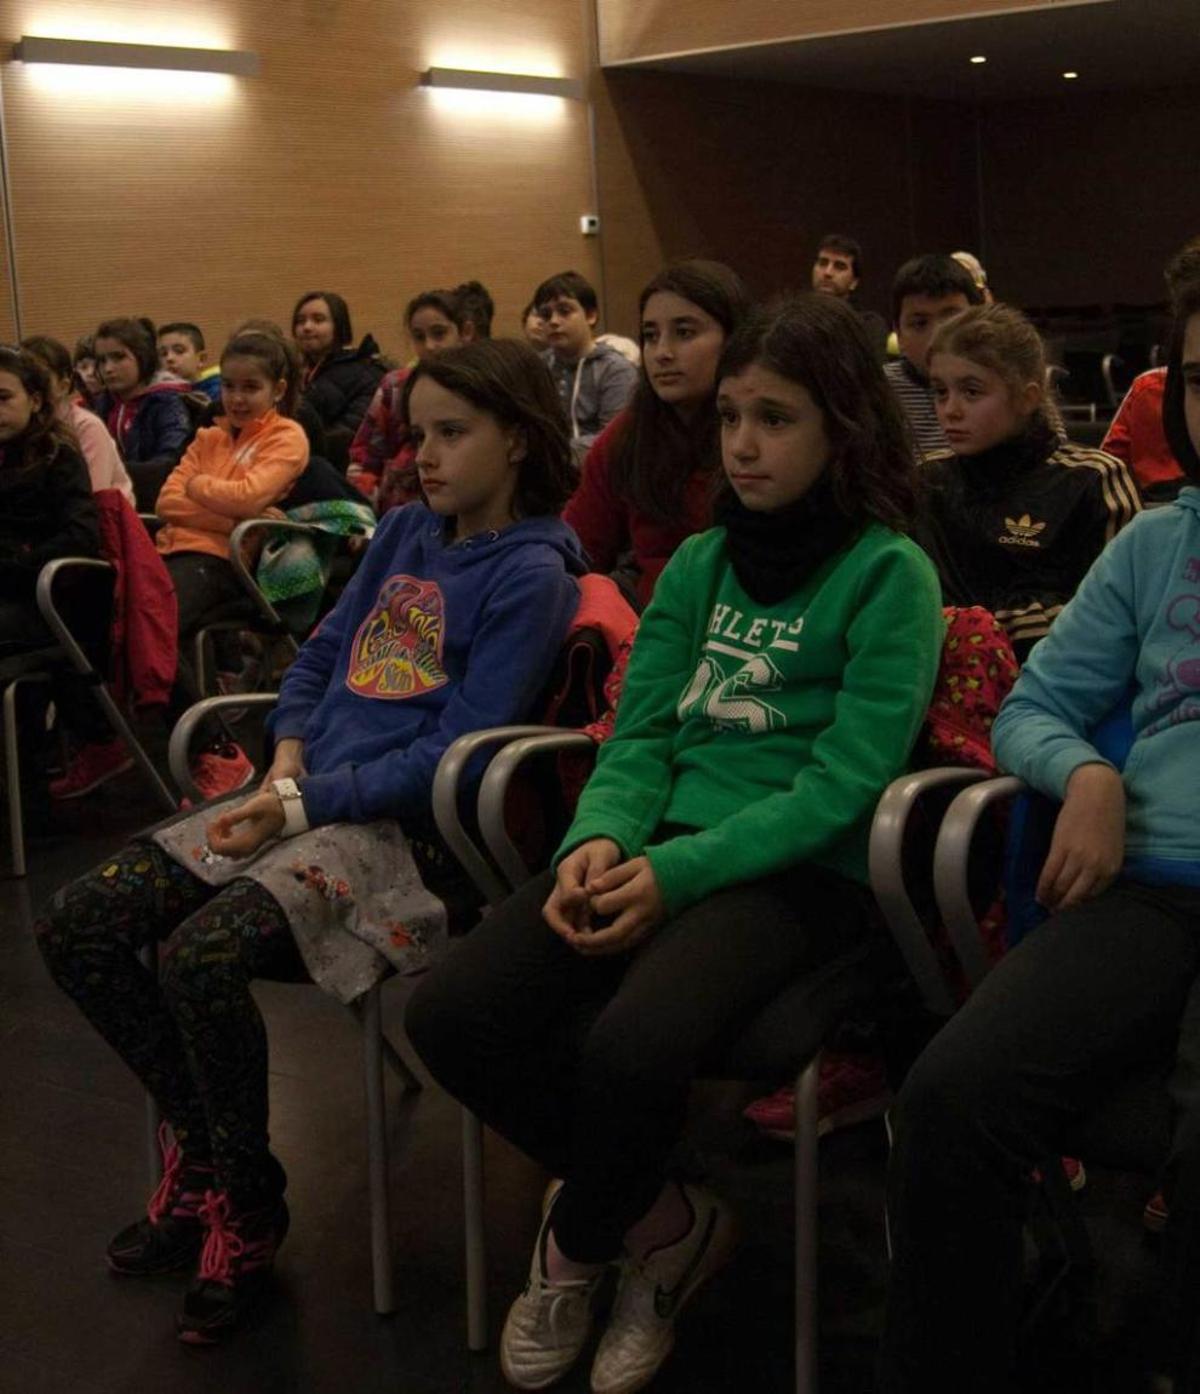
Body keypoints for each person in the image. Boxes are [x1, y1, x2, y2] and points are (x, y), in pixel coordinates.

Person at [407, 293, 945, 1394]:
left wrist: (677, 870)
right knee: (451, 1012)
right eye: (733, 415)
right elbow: (642, 728)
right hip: (656, 840)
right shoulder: (700, 562)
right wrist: (598, 841)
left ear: (844, 426)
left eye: (777, 418)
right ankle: (665, 1223)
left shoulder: (891, 571)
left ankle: (576, 1248)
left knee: (629, 1044)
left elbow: (843, 784)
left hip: (800, 871)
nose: (742, 443)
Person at [35, 337, 584, 1347]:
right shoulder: (407, 529)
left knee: (202, 957)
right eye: (418, 432)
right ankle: (204, 1148)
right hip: (303, 792)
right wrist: (286, 752)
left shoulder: (535, 570)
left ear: (518, 437)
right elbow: (325, 650)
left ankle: (248, 1202)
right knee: (81, 920)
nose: (424, 454)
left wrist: (300, 800)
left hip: (411, 838)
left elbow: (454, 751)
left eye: (452, 433)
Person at [877, 270, 1200, 1394]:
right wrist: (1092, 773)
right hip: (1152, 880)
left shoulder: (1090, 486)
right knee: (949, 1094)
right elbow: (1033, 705)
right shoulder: (1158, 544)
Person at [918, 303, 1140, 659]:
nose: (950, 409)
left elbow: (1117, 612)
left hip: (1057, 680)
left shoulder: (1092, 478)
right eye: (940, 391)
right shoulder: (926, 480)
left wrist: (975, 632)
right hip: (933, 676)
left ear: (1027, 397)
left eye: (971, 392)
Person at [563, 258, 751, 608]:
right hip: (653, 628)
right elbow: (576, 549)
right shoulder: (630, 434)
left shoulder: (759, 434)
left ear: (733, 338)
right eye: (650, 336)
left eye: (684, 332)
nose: (662, 353)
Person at [0, 346, 108, 819]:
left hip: (52, 602)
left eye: (3, 397)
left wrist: (17, 565)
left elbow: (81, 538)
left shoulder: (59, 456)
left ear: (36, 400)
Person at [348, 281, 494, 510]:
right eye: (419, 336)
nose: (430, 345)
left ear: (465, 332)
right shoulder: (395, 386)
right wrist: (362, 512)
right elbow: (366, 459)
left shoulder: (483, 388)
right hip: (397, 511)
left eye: (439, 333)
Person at [533, 269, 639, 465]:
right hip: (547, 475)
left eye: (564, 311)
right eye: (546, 315)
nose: (553, 321)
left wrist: (551, 454)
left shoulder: (616, 370)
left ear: (590, 316)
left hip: (600, 474)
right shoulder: (536, 367)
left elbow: (615, 440)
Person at [883, 254, 984, 459]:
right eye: (920, 324)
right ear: (898, 334)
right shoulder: (877, 391)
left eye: (952, 318)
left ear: (978, 319)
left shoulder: (1006, 380)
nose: (937, 336)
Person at [92, 317, 194, 510]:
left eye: (118, 357)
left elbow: (169, 465)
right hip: (114, 502)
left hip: (154, 505)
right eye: (101, 360)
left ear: (143, 357)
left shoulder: (167, 402)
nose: (108, 368)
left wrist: (111, 474)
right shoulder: (102, 403)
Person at [20, 335, 134, 505]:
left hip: (103, 521)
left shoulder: (86, 426)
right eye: (24, 380)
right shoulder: (20, 425)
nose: (30, 388)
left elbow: (94, 498)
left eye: (39, 380)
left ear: (63, 386)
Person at [291, 290, 386, 472]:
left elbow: (351, 435)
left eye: (318, 320)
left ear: (339, 326)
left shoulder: (366, 372)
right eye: (300, 321)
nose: (307, 327)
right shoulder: (292, 373)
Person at [811, 232, 889, 360]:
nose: (827, 272)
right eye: (823, 263)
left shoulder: (868, 326)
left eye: (839, 266)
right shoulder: (791, 318)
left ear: (854, 282)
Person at [158, 322, 223, 402]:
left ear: (201, 359)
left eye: (179, 351)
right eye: (163, 353)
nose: (169, 358)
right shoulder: (157, 394)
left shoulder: (218, 393)